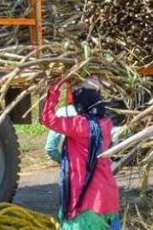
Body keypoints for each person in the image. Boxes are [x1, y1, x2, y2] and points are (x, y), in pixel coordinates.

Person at [41, 77, 121, 230]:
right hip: (108, 195)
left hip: (85, 199)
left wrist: (54, 91)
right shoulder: (106, 123)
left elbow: (47, 119)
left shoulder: (79, 125)